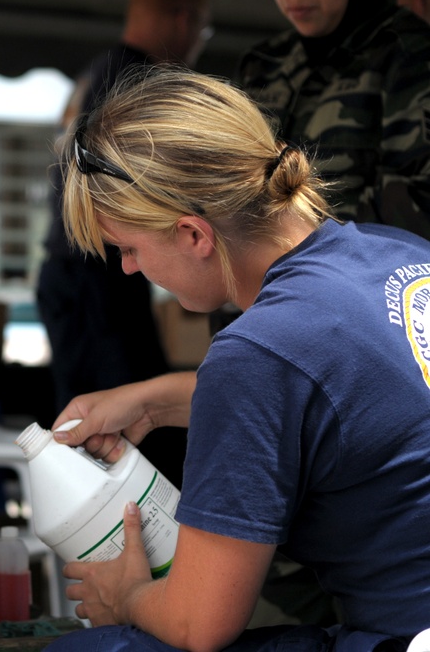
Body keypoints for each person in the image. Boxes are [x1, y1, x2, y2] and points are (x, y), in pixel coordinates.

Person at [39, 65, 430, 651]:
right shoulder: (398, 253)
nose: (128, 268)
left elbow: (200, 623)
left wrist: (126, 595)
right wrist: (152, 402)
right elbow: (342, 395)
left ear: (194, 235)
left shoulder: (258, 352)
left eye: (128, 247)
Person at [36, 0, 209, 488]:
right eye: (202, 30)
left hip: (76, 271)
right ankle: (147, 527)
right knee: (122, 431)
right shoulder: (135, 78)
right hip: (94, 274)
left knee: (111, 415)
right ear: (183, 20)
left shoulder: (98, 71)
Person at [239, 0, 430, 241]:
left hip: (369, 260)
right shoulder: (263, 63)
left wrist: (303, 237)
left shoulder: (410, 53)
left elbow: (419, 200)